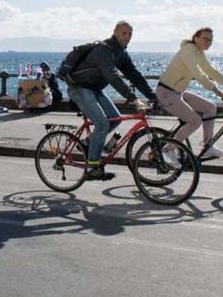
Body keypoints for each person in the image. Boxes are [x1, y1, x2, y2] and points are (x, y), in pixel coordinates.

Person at [66, 21, 157, 181]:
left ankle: (88, 143)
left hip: (94, 89)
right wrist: (133, 99)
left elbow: (134, 75)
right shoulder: (104, 50)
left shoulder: (121, 53)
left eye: (130, 34)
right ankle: (92, 167)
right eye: (124, 33)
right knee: (102, 123)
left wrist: (153, 96)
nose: (127, 37)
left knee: (115, 119)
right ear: (114, 32)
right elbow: (112, 76)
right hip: (79, 88)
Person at [156, 27, 223, 159]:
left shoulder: (198, 52)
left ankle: (208, 146)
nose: (208, 42)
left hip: (178, 93)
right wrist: (216, 91)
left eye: (210, 40)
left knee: (210, 108)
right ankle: (168, 150)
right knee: (195, 121)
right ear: (196, 38)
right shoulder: (188, 50)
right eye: (205, 39)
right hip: (166, 93)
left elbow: (210, 71)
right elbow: (197, 73)